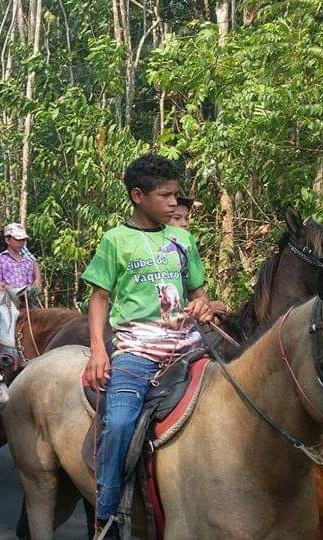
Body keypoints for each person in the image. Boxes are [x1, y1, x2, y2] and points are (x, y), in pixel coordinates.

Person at [80, 154, 213, 531]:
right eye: (166, 196)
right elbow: (99, 299)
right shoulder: (116, 240)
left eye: (176, 195)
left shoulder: (183, 239)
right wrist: (99, 351)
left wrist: (202, 304)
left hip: (189, 348)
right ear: (138, 196)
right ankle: (105, 515)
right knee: (120, 422)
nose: (174, 203)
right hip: (137, 352)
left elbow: (199, 292)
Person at [0, 223, 43, 306]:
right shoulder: (0, 258)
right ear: (8, 240)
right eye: (18, 240)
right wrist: (7, 289)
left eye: (23, 240)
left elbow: (33, 282)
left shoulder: (28, 261)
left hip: (27, 300)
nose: (21, 243)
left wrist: (34, 289)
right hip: (8, 301)